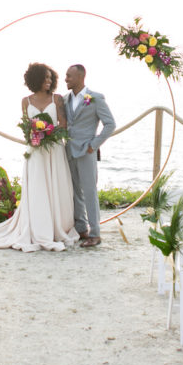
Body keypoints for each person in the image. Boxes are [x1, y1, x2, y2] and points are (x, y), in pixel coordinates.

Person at [0, 63, 79, 252]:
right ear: (36, 79)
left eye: (51, 77)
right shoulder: (26, 101)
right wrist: (35, 134)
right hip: (35, 151)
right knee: (37, 187)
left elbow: (63, 126)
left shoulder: (57, 100)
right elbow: (26, 127)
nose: (49, 81)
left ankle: (57, 226)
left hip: (54, 150)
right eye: (45, 77)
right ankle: (38, 225)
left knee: (55, 186)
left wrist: (48, 132)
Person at [63, 64, 116, 247]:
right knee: (75, 191)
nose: (66, 79)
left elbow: (110, 124)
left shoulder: (95, 98)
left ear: (80, 77)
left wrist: (94, 145)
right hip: (69, 150)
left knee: (90, 192)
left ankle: (95, 233)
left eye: (69, 76)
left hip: (87, 151)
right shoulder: (65, 99)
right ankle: (81, 228)